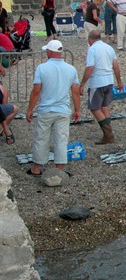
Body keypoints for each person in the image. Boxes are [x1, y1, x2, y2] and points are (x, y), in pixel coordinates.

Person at [25, 40, 80, 177]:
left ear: (49, 52)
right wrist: (77, 109)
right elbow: (75, 92)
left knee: (41, 138)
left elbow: (36, 91)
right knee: (61, 139)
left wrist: (30, 108)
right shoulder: (71, 69)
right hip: (63, 109)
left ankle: (37, 168)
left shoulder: (42, 68)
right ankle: (59, 169)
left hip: (46, 109)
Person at [79, 29, 124, 144]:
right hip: (109, 80)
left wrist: (82, 83)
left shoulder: (92, 49)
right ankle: (109, 132)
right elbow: (116, 66)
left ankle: (108, 134)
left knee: (94, 107)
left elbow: (90, 68)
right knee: (104, 106)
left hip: (97, 82)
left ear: (90, 39)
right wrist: (119, 82)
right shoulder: (109, 48)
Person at [0, 80, 17, 145]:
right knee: (14, 108)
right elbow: (5, 104)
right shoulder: (3, 89)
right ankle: (3, 128)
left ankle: (3, 128)